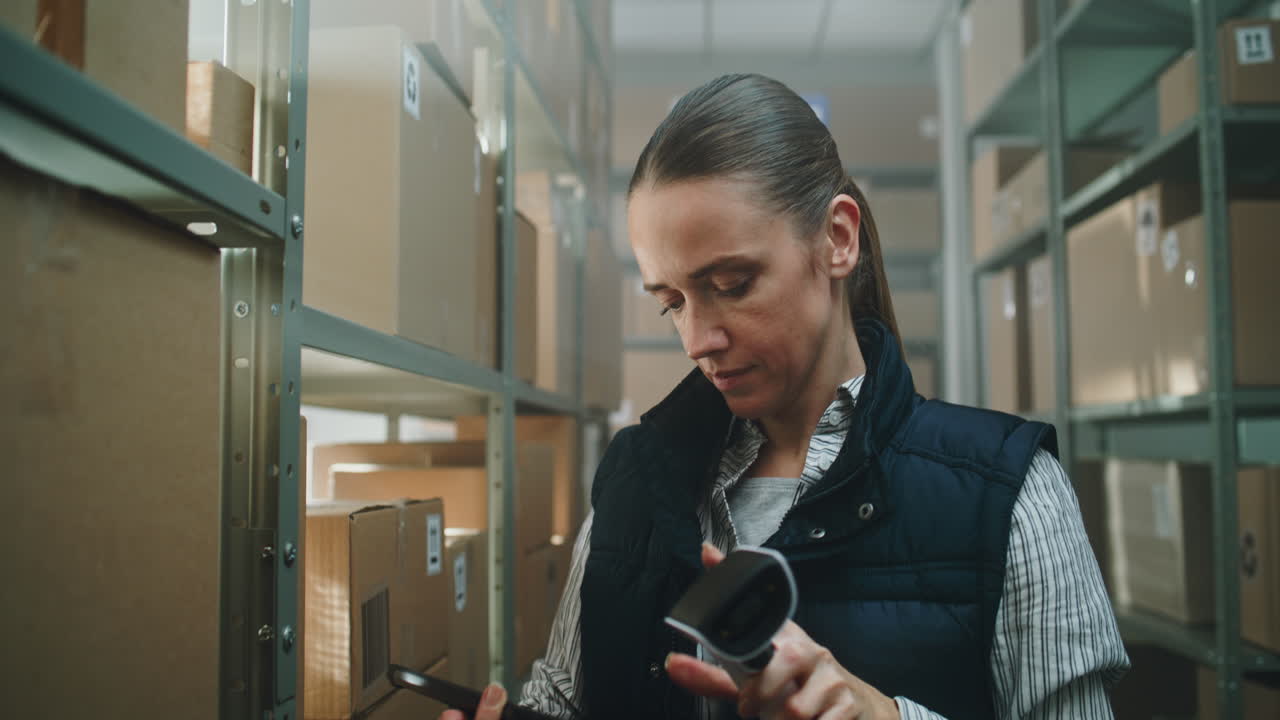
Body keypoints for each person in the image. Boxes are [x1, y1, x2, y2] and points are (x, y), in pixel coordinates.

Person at [442, 73, 1128, 720]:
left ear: (837, 239)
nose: (697, 339)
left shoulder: (1008, 492)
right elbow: (567, 696)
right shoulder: (636, 480)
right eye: (670, 302)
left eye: (731, 284)